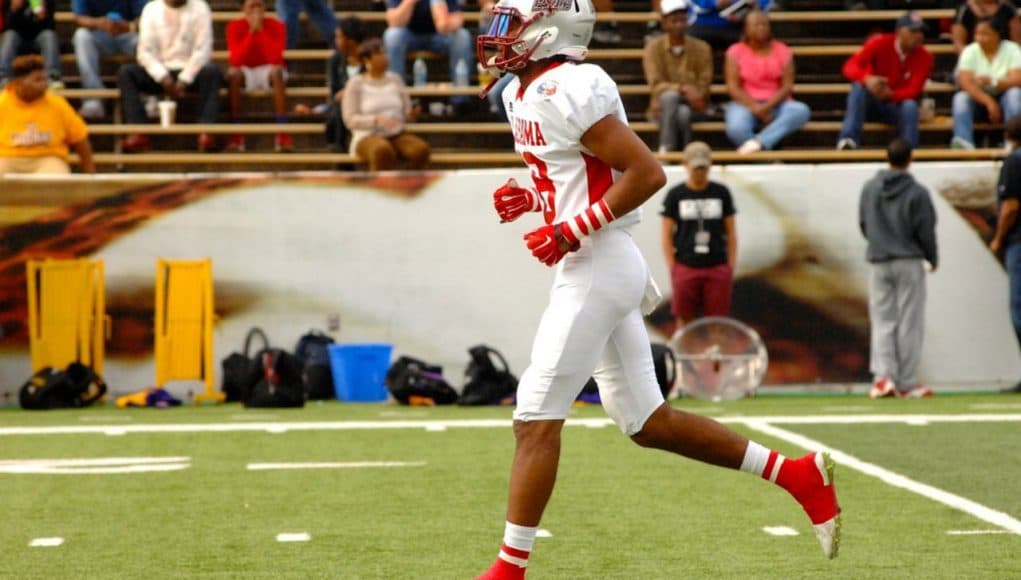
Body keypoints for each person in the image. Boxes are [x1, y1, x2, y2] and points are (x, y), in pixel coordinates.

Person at [475, 2, 840, 577]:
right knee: (647, 422)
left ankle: (508, 569)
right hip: (598, 261)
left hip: (596, 263)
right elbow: (583, 170)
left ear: (550, 31)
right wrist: (535, 196)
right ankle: (796, 476)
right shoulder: (520, 92)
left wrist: (568, 226)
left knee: (534, 418)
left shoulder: (570, 85)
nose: (497, 40)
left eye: (509, 27)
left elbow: (646, 173)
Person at [859, 138, 937, 399]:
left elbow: (863, 223)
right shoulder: (917, 192)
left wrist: (878, 242)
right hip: (909, 260)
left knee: (882, 320)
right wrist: (932, 257)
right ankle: (906, 381)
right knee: (909, 322)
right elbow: (926, 229)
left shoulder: (870, 188)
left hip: (879, 259)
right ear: (910, 158)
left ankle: (883, 377)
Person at [117, 0, 222, 153]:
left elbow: (203, 50)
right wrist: (162, 76)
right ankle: (139, 131)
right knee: (126, 73)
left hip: (190, 68)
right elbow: (145, 52)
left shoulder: (200, 7)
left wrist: (185, 79)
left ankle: (206, 131)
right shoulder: (151, 9)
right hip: (160, 70)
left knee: (213, 72)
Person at [660, 141, 736, 330]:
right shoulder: (676, 195)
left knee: (717, 322)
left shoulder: (721, 192)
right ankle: (684, 359)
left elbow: (731, 232)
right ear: (685, 165)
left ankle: (716, 359)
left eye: (703, 168)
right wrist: (674, 267)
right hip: (686, 265)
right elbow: (666, 234)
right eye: (696, 168)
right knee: (684, 318)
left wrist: (729, 266)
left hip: (717, 265)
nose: (700, 172)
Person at [837, 12, 933, 151]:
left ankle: (908, 150)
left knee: (910, 106)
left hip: (896, 106)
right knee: (859, 87)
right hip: (872, 102)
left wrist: (891, 95)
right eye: (913, 31)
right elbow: (850, 66)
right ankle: (848, 140)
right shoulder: (880, 43)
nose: (918, 36)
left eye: (921, 32)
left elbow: (914, 89)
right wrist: (867, 79)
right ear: (899, 32)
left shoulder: (925, 57)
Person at [723, 10, 810, 154]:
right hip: (745, 103)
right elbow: (733, 87)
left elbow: (787, 85)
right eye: (756, 25)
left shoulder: (782, 50)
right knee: (736, 128)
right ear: (746, 28)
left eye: (765, 24)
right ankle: (766, 157)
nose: (762, 28)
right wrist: (755, 107)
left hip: (777, 103)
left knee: (800, 111)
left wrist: (766, 107)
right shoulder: (735, 51)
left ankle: (760, 143)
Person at [342, 38, 430, 171]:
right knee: (382, 150)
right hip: (367, 135)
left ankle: (408, 185)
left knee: (420, 150)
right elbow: (350, 119)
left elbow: (406, 113)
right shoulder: (356, 84)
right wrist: (376, 119)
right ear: (367, 60)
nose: (385, 57)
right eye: (379, 54)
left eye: (385, 53)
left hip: (396, 133)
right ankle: (380, 189)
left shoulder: (395, 79)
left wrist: (412, 114)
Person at [0, 55, 95, 174]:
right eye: (37, 80)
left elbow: (80, 139)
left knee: (56, 177)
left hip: (48, 158)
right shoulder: (2, 103)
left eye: (44, 79)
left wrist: (90, 175)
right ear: (19, 83)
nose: (44, 84)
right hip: (7, 157)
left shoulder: (57, 103)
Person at [642, 0, 712, 153]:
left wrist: (694, 94)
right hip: (662, 107)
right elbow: (656, 84)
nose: (679, 25)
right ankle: (684, 153)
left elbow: (703, 85)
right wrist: (683, 89)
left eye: (682, 20)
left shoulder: (702, 48)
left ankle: (666, 150)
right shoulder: (653, 48)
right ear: (664, 23)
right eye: (674, 20)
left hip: (694, 106)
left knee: (674, 102)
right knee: (678, 109)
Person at [225, 0, 291, 153]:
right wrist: (250, 33)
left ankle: (283, 133)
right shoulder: (234, 27)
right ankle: (236, 133)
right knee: (233, 74)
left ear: (265, 8)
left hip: (269, 70)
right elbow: (236, 59)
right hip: (246, 70)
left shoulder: (277, 26)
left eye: (259, 6)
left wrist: (260, 32)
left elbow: (275, 58)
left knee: (277, 72)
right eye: (251, 6)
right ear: (243, 9)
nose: (256, 11)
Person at [382, 0, 473, 109]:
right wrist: (410, 2)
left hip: (439, 37)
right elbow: (393, 21)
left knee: (462, 36)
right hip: (409, 36)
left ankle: (460, 100)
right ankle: (396, 97)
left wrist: (445, 22)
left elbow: (457, 18)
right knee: (392, 36)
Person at [951, 18, 1021, 150]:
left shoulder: (1012, 49)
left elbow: (1017, 79)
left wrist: (993, 82)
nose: (979, 38)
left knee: (1015, 94)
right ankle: (963, 144)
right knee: (961, 98)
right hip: (979, 101)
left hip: (1004, 98)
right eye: (977, 34)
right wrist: (989, 102)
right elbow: (965, 82)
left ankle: (1014, 143)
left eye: (985, 34)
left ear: (997, 34)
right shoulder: (970, 51)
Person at [71, 0, 146, 119]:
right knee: (81, 36)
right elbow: (79, 17)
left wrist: (129, 25)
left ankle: (150, 96)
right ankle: (94, 98)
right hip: (98, 34)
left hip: (128, 34)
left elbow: (146, 15)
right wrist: (100, 23)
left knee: (146, 38)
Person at [991, 115, 1021, 394]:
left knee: (1019, 310)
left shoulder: (1014, 162)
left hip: (1019, 243)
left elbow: (1011, 206)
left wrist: (998, 238)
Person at [0, 0, 60, 88]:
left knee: (49, 35)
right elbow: (8, 27)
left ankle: (52, 76)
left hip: (39, 38)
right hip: (18, 38)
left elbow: (51, 27)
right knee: (9, 36)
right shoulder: (10, 1)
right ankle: (3, 77)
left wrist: (43, 16)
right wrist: (13, 10)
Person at [688, 0, 771, 51]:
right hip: (704, 26)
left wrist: (753, 7)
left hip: (739, 26)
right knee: (690, 40)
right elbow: (694, 5)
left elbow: (764, 4)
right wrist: (714, 2)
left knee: (757, 36)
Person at [952, 0, 1021, 55]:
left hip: (1005, 57)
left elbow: (1017, 42)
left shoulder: (1008, 8)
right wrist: (972, 58)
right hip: (973, 58)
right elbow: (958, 44)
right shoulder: (964, 9)